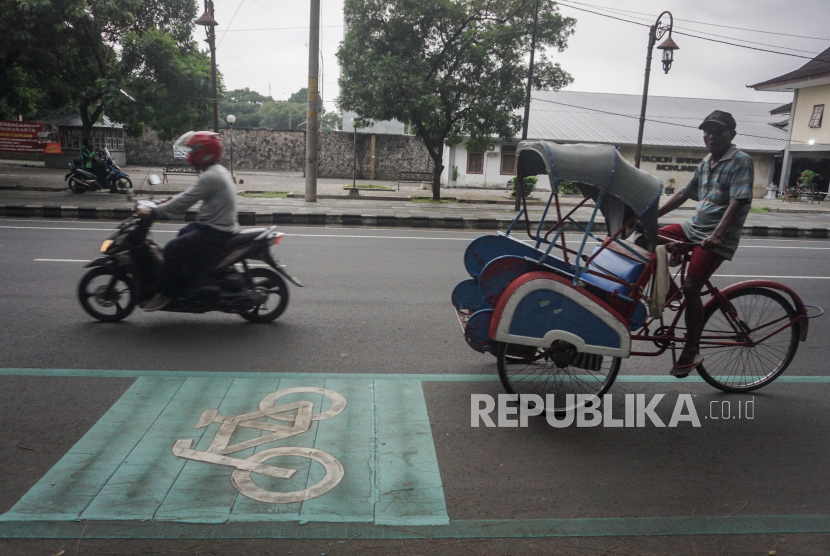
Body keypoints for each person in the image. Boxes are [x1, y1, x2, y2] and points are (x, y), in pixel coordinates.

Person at [645, 110, 754, 378]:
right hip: (694, 228)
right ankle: (670, 294)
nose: (711, 136)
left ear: (732, 135)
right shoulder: (707, 162)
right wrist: (651, 217)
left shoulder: (741, 161)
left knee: (692, 287)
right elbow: (684, 193)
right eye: (707, 131)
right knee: (644, 238)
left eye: (718, 131)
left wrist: (716, 235)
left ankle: (691, 349)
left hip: (718, 237)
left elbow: (738, 200)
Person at [137, 131, 238, 311]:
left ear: (204, 153)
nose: (190, 155)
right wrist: (164, 202)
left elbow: (184, 202)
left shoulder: (210, 177)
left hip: (216, 231)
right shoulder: (216, 171)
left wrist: (155, 211)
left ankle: (166, 293)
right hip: (215, 226)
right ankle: (190, 281)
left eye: (193, 150)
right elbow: (187, 196)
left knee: (172, 249)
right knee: (183, 234)